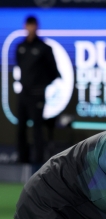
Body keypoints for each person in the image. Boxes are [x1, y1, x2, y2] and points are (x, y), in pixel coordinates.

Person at [15, 15, 60, 164]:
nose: (30, 28)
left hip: (37, 95)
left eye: (33, 25)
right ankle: (22, 160)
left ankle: (38, 162)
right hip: (24, 94)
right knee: (20, 128)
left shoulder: (44, 48)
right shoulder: (20, 48)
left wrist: (41, 86)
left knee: (37, 129)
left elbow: (54, 72)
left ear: (37, 26)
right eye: (28, 25)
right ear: (25, 27)